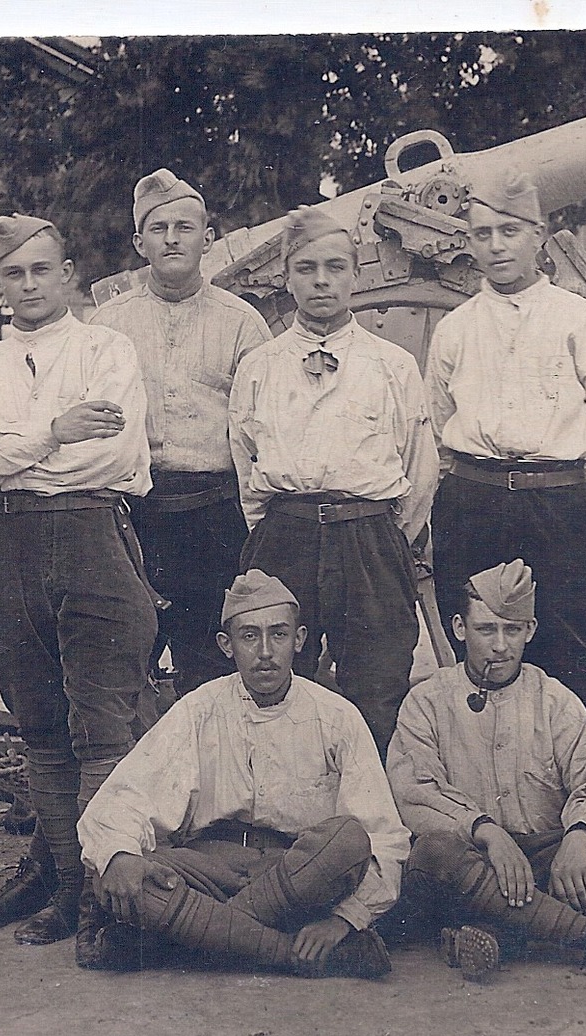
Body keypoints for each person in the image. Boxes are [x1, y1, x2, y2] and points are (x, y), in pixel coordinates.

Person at [0, 214, 158, 955]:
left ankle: (107, 896)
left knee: (102, 726)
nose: (28, 285)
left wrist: (15, 448)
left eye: (41, 270)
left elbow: (111, 453)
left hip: (92, 532)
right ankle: (65, 888)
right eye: (13, 274)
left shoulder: (106, 348)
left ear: (67, 273)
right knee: (39, 725)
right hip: (8, 545)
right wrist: (52, 432)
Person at [75, 569, 410, 979]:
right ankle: (287, 952)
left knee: (348, 840)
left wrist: (344, 919)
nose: (265, 651)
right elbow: (125, 796)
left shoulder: (337, 716)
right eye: (249, 636)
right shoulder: (199, 709)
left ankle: (196, 937)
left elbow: (382, 836)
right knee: (125, 871)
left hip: (297, 877)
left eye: (279, 635)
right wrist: (121, 855)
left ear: (300, 639)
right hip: (210, 869)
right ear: (226, 645)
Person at [424, 171, 586, 747]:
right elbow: (435, 426)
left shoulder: (581, 320)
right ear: (468, 243)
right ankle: (487, 780)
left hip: (559, 502)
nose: (496, 246)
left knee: (577, 645)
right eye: (482, 234)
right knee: (480, 646)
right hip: (473, 501)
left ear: (540, 236)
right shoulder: (453, 330)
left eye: (510, 231)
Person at [386, 560, 586, 986]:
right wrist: (487, 832)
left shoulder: (553, 698)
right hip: (474, 859)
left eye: (513, 630)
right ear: (459, 628)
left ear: (531, 630)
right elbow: (414, 792)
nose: (500, 647)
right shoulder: (427, 701)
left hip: (546, 857)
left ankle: (505, 930)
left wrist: (580, 836)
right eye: (486, 629)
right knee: (434, 853)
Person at [228, 205, 437, 758]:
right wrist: (281, 525)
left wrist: (383, 534)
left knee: (378, 682)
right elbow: (245, 461)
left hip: (369, 538)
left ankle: (372, 826)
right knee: (275, 679)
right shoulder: (260, 366)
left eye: (336, 267)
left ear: (356, 274)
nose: (322, 281)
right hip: (285, 535)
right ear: (286, 276)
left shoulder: (390, 365)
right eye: (307, 268)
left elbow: (418, 466)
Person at [91, 168, 272, 696]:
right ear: (139, 242)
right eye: (159, 227)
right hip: (133, 515)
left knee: (211, 666)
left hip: (214, 517)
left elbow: (262, 431)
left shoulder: (243, 323)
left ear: (208, 239)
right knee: (126, 662)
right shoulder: (109, 325)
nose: (172, 238)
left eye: (185, 227)